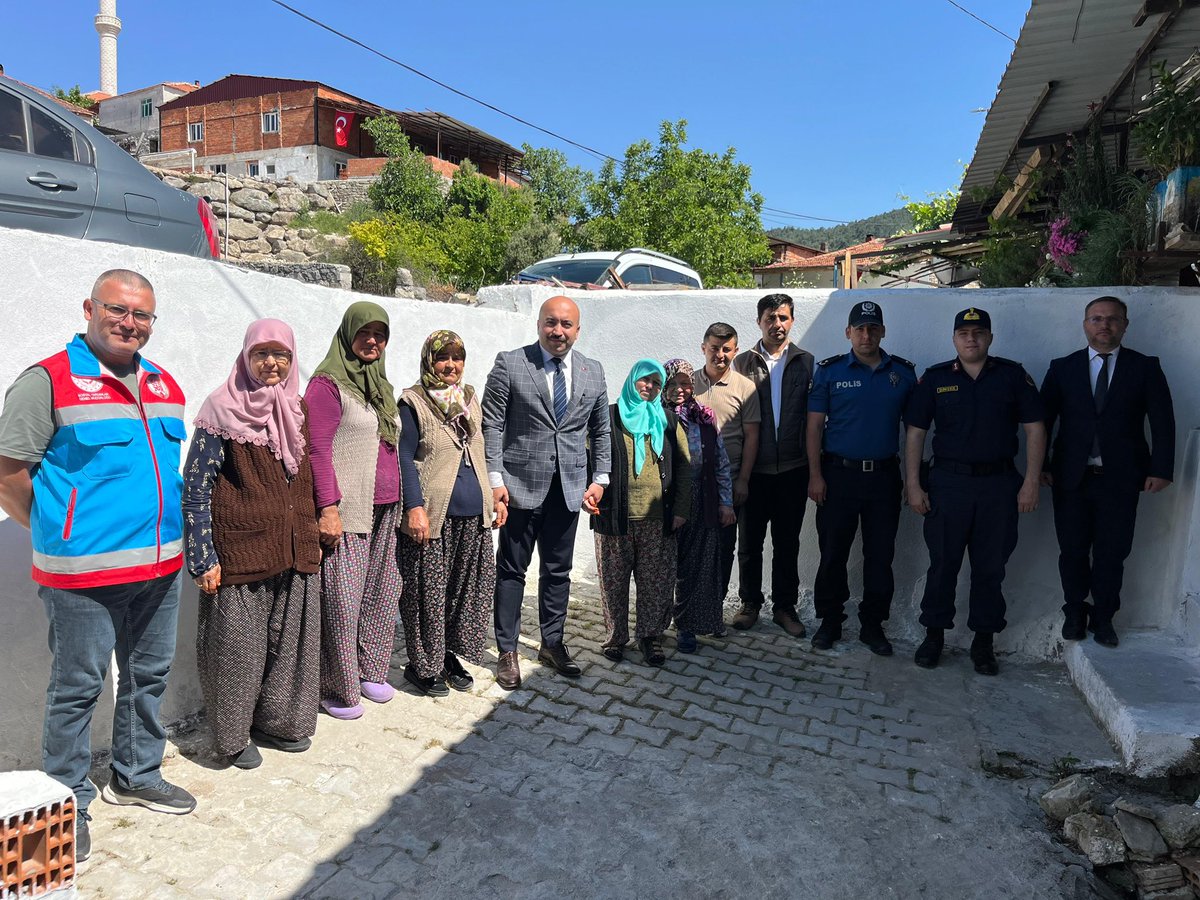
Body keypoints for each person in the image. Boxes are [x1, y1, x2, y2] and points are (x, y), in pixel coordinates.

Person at [0, 269, 196, 861]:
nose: (130, 323)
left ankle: (136, 776)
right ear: (89, 307)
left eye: (142, 315)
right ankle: (63, 806)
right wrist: (64, 533)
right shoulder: (47, 381)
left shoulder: (163, 383)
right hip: (83, 577)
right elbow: (9, 474)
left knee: (147, 677)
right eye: (118, 310)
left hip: (161, 569)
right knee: (76, 690)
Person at [184, 319, 322, 769]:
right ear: (246, 356)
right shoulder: (221, 409)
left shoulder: (297, 409)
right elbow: (197, 486)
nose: (271, 363)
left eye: (280, 354)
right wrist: (202, 556)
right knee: (236, 650)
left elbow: (310, 473)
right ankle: (233, 737)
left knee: (290, 648)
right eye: (261, 353)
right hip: (240, 551)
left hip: (294, 546)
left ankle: (278, 722)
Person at [904, 307, 1046, 676]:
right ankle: (934, 635)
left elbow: (1034, 428)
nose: (971, 339)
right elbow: (916, 434)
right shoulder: (935, 379)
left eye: (979, 333)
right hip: (948, 485)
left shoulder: (1013, 377)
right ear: (954, 339)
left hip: (999, 486)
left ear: (990, 338)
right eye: (964, 334)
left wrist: (1031, 481)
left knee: (990, 568)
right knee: (943, 565)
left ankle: (984, 641)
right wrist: (914, 485)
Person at [483, 295, 611, 690]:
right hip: (520, 487)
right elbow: (492, 424)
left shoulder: (592, 370)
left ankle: (552, 643)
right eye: (551, 322)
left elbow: (601, 430)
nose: (558, 331)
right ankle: (507, 650)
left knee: (558, 572)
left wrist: (600, 477)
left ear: (577, 329)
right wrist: (495, 479)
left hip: (570, 489)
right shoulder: (511, 362)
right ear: (540, 324)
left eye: (566, 324)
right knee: (512, 570)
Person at [1040, 296, 1174, 647]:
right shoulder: (1062, 368)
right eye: (1096, 319)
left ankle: (1104, 616)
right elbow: (1043, 421)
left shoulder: (1144, 367)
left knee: (1113, 552)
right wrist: (1039, 467)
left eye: (1112, 319)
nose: (1104, 325)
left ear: (1124, 325)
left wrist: (1161, 469)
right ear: (1085, 325)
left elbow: (1162, 422)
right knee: (1072, 549)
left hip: (1122, 478)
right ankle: (1074, 609)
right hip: (1070, 477)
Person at [306, 301, 402, 719]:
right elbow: (317, 450)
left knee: (382, 595)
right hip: (349, 510)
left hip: (387, 509)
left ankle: (370, 670)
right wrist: (328, 507)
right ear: (348, 334)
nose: (372, 341)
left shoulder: (380, 387)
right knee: (343, 602)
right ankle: (337, 688)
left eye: (380, 334)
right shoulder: (327, 385)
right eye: (365, 332)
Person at [807, 302, 917, 655]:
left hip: (883, 478)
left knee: (880, 555)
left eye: (872, 328)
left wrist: (912, 480)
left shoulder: (903, 374)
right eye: (859, 329)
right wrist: (815, 475)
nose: (866, 335)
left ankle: (873, 626)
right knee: (832, 554)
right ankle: (830, 621)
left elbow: (915, 430)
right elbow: (813, 428)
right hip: (837, 476)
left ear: (882, 331)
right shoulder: (830, 372)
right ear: (848, 333)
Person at [397, 330, 498, 697]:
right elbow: (404, 457)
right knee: (427, 594)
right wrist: (414, 507)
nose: (451, 365)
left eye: (458, 357)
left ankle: (447, 655)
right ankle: (422, 665)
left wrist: (494, 497)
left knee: (462, 592)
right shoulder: (413, 401)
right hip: (433, 516)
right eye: (443, 357)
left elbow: (482, 448)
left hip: (474, 514)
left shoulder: (470, 398)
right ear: (429, 360)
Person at [591, 360, 692, 665]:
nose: (650, 387)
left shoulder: (667, 421)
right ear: (632, 379)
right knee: (613, 582)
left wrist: (681, 508)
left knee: (655, 583)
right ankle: (615, 638)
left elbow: (685, 468)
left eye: (656, 383)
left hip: (657, 518)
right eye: (644, 381)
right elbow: (589, 455)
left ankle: (649, 637)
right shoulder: (609, 416)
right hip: (613, 515)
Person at [731, 294, 814, 637]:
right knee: (749, 543)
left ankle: (784, 607)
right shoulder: (741, 363)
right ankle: (750, 603)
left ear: (792, 321)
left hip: (794, 469)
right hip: (754, 470)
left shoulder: (806, 362)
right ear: (759, 322)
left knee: (787, 543)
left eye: (783, 317)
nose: (776, 324)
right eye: (770, 318)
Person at [662, 358, 735, 653]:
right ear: (664, 386)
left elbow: (720, 462)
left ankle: (687, 626)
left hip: (701, 497)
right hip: (665, 500)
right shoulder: (654, 415)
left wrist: (725, 502)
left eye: (685, 382)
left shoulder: (704, 416)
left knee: (696, 566)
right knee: (663, 565)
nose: (680, 389)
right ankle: (654, 624)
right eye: (673, 383)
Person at [692, 322, 760, 615]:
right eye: (714, 348)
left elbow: (752, 437)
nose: (720, 354)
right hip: (691, 483)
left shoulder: (745, 388)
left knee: (722, 549)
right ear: (704, 348)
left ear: (735, 351)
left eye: (726, 349)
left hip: (728, 483)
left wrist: (743, 480)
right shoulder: (687, 382)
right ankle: (687, 607)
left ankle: (712, 609)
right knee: (690, 549)